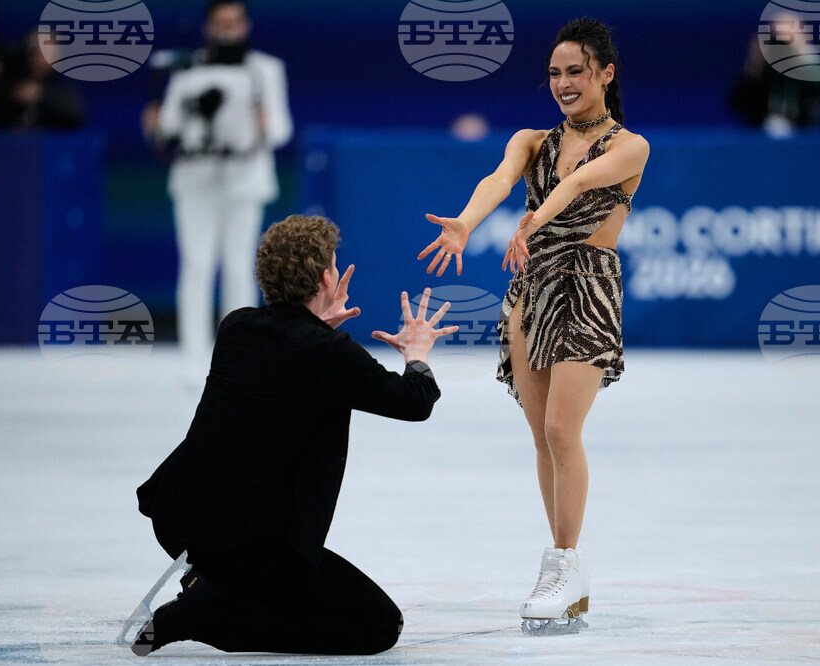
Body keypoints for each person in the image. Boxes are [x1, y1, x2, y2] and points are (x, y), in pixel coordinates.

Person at [130, 214, 459, 656]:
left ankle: (214, 584)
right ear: (327, 277)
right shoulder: (328, 353)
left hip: (179, 517)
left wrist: (321, 328)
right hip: (253, 544)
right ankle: (206, 612)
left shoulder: (237, 327)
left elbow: (288, 363)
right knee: (379, 625)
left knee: (270, 577)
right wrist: (417, 353)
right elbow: (412, 402)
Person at [416, 17, 649, 634]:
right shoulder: (530, 139)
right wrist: (467, 222)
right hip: (529, 292)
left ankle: (565, 563)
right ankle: (563, 572)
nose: (565, 83)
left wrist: (531, 222)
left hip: (587, 289)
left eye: (577, 71)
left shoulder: (631, 146)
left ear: (606, 74)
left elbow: (578, 184)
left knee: (561, 429)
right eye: (555, 73)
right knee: (542, 438)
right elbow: (497, 180)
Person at [142, 0, 293, 386]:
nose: (227, 30)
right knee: (197, 265)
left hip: (245, 179)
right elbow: (170, 124)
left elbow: (281, 130)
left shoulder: (266, 69)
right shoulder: (188, 67)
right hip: (195, 178)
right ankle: (194, 361)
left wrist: (264, 123)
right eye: (219, 23)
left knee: (241, 268)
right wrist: (156, 124)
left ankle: (240, 356)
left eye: (234, 22)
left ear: (245, 26)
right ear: (208, 27)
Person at [0, 29, 85, 130]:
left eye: (45, 53)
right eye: (33, 51)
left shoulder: (62, 87)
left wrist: (41, 95)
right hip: (6, 144)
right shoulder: (10, 82)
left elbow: (75, 115)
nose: (37, 58)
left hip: (46, 145)